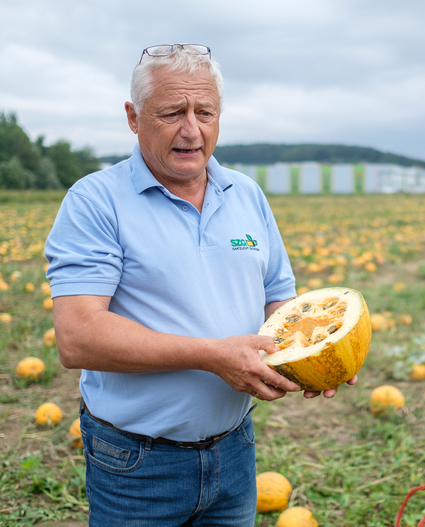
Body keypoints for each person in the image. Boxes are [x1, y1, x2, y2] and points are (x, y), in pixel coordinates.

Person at [44, 44, 355, 526]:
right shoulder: (95, 201)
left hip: (234, 449)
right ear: (133, 116)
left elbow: (280, 301)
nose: (192, 130)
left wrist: (315, 355)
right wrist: (212, 356)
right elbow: (78, 337)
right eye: (172, 112)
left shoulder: (246, 195)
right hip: (136, 464)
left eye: (205, 112)